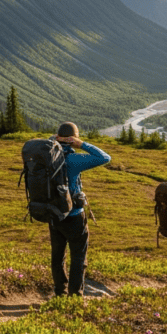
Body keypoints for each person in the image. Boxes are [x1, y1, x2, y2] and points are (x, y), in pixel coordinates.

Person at [49, 122, 111, 297]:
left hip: (53, 214)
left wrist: (53, 140)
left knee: (57, 255)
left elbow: (47, 144)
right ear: (73, 139)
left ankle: (59, 292)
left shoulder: (46, 157)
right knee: (78, 256)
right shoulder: (73, 160)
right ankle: (75, 295)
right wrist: (82, 144)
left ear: (57, 137)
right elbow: (105, 157)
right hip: (74, 215)